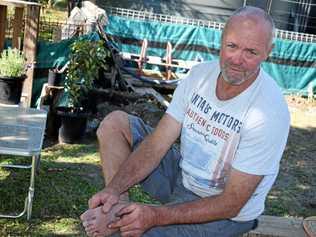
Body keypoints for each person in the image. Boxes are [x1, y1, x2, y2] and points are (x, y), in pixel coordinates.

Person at [81, 6, 290, 237]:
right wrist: (113, 189)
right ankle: (116, 209)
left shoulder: (268, 113)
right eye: (232, 46)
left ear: (268, 52)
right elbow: (157, 143)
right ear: (221, 40)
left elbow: (232, 202)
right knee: (115, 124)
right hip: (183, 177)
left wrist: (154, 215)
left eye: (251, 52)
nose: (237, 60)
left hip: (225, 212)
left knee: (134, 233)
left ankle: (121, 223)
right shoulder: (199, 76)